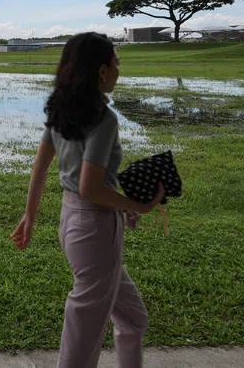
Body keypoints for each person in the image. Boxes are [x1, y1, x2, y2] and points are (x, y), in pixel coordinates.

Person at [11, 32, 164, 368]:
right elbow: (90, 187)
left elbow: (41, 167)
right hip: (95, 228)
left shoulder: (61, 109)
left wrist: (31, 216)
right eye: (116, 63)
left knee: (134, 318)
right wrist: (138, 205)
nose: (118, 70)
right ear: (102, 71)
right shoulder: (102, 118)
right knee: (82, 340)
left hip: (72, 223)